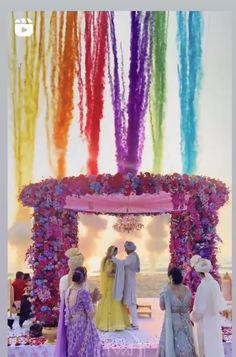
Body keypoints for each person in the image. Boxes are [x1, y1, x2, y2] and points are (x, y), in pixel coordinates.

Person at [54, 266, 103, 357]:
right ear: (84, 277)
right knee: (83, 352)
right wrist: (95, 302)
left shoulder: (68, 291)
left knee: (73, 351)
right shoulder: (83, 292)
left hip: (71, 327)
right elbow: (91, 314)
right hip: (82, 327)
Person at [190, 255, 227, 357]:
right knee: (215, 348)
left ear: (198, 272)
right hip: (214, 321)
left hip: (204, 322)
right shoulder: (214, 283)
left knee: (205, 348)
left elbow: (199, 310)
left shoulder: (203, 287)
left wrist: (192, 316)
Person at [158, 267, 197, 357]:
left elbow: (162, 307)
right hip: (185, 320)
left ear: (170, 277)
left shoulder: (166, 290)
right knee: (187, 342)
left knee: (172, 343)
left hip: (172, 321)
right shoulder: (187, 290)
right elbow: (189, 304)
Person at [95, 246, 130, 331]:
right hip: (111, 285)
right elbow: (108, 274)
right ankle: (111, 324)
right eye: (114, 253)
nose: (115, 255)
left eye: (116, 253)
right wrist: (119, 275)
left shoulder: (109, 260)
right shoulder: (108, 261)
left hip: (113, 284)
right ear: (111, 252)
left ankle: (115, 323)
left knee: (115, 300)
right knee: (112, 300)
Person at [111, 241, 140, 330]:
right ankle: (134, 323)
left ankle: (135, 324)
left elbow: (123, 263)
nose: (125, 250)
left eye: (126, 248)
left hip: (130, 283)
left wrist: (114, 259)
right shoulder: (131, 256)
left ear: (129, 248)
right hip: (129, 282)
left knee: (131, 303)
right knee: (130, 303)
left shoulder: (132, 257)